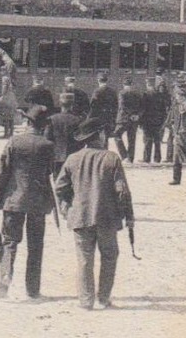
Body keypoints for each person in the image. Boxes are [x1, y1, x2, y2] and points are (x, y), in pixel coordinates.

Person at [54, 116, 134, 311]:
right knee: (109, 256)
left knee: (84, 259)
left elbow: (59, 188)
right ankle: (103, 298)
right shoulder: (111, 158)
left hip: (80, 217)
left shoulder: (72, 159)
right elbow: (122, 191)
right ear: (99, 135)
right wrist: (129, 216)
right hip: (106, 217)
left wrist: (66, 207)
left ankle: (86, 300)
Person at [0, 104, 56, 300]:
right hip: (38, 202)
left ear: (27, 122)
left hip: (13, 200)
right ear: (43, 126)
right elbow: (49, 171)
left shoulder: (14, 142)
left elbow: (3, 173)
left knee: (9, 241)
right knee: (36, 245)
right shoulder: (47, 145)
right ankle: (32, 290)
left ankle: (6, 275)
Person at [46, 90, 83, 177]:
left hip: (56, 156)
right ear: (72, 105)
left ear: (60, 103)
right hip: (73, 156)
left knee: (58, 182)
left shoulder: (52, 119)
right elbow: (81, 140)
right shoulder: (78, 120)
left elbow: (47, 138)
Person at [139, 76, 168, 164]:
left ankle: (147, 158)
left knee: (148, 140)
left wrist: (141, 122)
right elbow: (164, 110)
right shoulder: (160, 95)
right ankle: (157, 158)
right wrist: (163, 121)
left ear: (148, 84)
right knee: (157, 141)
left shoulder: (145, 94)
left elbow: (142, 109)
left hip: (147, 121)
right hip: (158, 121)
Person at [115, 76, 143, 163]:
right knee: (132, 139)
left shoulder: (122, 93)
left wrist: (129, 115)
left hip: (124, 119)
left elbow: (122, 106)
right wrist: (137, 115)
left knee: (116, 135)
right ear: (131, 84)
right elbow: (142, 107)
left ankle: (124, 156)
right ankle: (131, 158)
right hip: (134, 120)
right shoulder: (138, 93)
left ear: (123, 84)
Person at [88, 71, 118, 148]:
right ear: (107, 80)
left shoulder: (97, 91)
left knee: (99, 138)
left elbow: (93, 106)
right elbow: (116, 106)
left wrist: (89, 119)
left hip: (99, 118)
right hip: (109, 117)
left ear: (98, 80)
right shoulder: (113, 91)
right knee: (106, 138)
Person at [0, 73, 19, 138]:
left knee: (6, 118)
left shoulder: (4, 86)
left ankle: (6, 134)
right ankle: (11, 133)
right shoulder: (11, 88)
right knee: (11, 119)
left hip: (6, 102)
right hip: (12, 100)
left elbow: (2, 93)